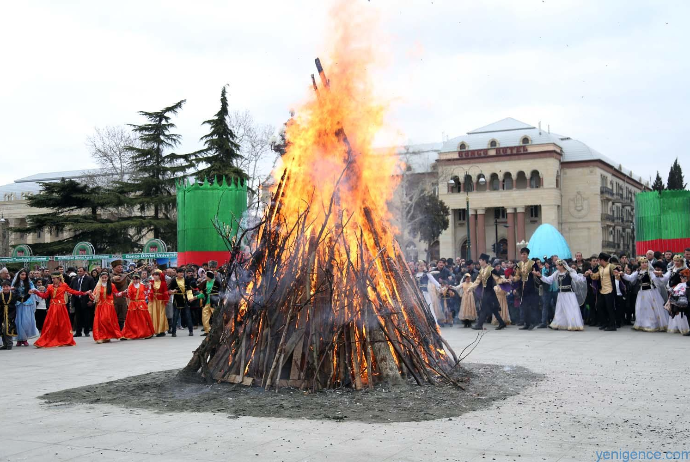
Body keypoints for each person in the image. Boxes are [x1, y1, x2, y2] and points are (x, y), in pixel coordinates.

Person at [31, 272, 91, 348]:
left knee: (62, 324)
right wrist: (36, 292)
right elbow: (45, 296)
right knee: (51, 324)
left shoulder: (64, 285)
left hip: (61, 307)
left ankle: (63, 339)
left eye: (54, 278)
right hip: (53, 307)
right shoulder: (50, 287)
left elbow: (73, 291)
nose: (53, 280)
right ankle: (48, 339)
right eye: (52, 278)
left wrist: (84, 293)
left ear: (59, 278)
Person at [621, 257, 668, 332]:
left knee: (651, 308)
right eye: (642, 263)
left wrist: (659, 275)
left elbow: (656, 280)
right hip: (642, 291)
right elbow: (630, 278)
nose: (644, 264)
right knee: (642, 307)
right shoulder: (638, 271)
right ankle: (643, 323)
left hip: (650, 291)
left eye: (646, 262)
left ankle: (651, 324)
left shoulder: (650, 271)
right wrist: (623, 274)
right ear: (640, 264)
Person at [535, 260, 586, 331]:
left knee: (570, 309)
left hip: (569, 295)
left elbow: (578, 279)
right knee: (560, 310)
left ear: (562, 266)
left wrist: (584, 275)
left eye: (557, 265)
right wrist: (540, 275)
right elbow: (549, 280)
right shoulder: (557, 273)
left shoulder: (569, 273)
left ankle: (573, 324)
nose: (556, 267)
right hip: (561, 294)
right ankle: (558, 323)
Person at [469, 253, 507, 331]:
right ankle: (502, 323)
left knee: (483, 308)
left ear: (484, 261)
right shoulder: (481, 270)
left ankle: (479, 325)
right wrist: (470, 288)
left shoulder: (491, 269)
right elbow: (477, 281)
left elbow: (498, 278)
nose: (479, 261)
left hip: (490, 292)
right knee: (493, 309)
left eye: (480, 260)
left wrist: (505, 280)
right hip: (486, 292)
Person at [586, 253, 618, 331]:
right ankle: (605, 323)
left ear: (602, 260)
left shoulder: (611, 266)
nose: (598, 262)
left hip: (610, 290)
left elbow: (617, 274)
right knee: (600, 306)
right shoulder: (600, 268)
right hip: (602, 290)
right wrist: (591, 274)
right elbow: (596, 276)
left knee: (610, 308)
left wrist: (617, 274)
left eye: (598, 260)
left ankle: (612, 325)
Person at [90, 271, 123, 343]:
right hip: (101, 306)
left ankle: (107, 336)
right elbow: (94, 298)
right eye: (103, 278)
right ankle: (102, 336)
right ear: (100, 278)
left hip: (109, 306)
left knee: (107, 320)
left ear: (108, 278)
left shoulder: (111, 285)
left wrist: (123, 292)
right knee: (101, 321)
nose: (104, 279)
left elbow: (116, 294)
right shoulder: (98, 286)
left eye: (105, 278)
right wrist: (90, 295)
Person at [120, 273, 155, 340]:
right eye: (134, 279)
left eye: (137, 279)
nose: (135, 281)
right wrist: (126, 292)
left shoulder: (143, 286)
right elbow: (128, 295)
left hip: (141, 304)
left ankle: (145, 333)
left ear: (139, 279)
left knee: (142, 319)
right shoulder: (130, 286)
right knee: (130, 319)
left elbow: (148, 292)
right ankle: (128, 333)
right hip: (133, 304)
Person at [513, 247, 540, 330]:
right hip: (522, 287)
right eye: (522, 254)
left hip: (531, 286)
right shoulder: (519, 264)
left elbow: (538, 273)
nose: (523, 256)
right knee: (524, 306)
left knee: (531, 305)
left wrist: (535, 273)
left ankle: (533, 322)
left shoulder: (532, 263)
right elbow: (517, 275)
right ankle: (526, 323)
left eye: (524, 254)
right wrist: (513, 279)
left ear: (527, 255)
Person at [12, 268, 38, 347]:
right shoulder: (15, 283)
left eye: (24, 275)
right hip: (18, 304)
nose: (23, 276)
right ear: (19, 275)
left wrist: (32, 290)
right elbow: (12, 291)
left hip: (27, 303)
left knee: (26, 322)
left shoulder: (29, 283)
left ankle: (25, 338)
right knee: (18, 322)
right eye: (22, 274)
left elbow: (33, 289)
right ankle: (19, 339)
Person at [167, 267, 195, 337]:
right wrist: (172, 291)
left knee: (188, 316)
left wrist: (190, 297)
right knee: (175, 316)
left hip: (184, 299)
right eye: (180, 272)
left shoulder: (186, 280)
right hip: (177, 300)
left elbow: (189, 290)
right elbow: (169, 290)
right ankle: (173, 332)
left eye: (182, 272)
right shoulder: (173, 281)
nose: (181, 274)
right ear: (176, 274)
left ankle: (191, 331)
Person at [70, 267, 95, 338]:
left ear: (84, 272)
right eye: (78, 271)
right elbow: (71, 288)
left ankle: (86, 331)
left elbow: (93, 289)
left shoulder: (89, 279)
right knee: (78, 317)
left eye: (81, 271)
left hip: (86, 300)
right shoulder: (75, 279)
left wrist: (91, 300)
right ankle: (78, 332)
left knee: (86, 316)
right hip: (77, 300)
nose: (79, 272)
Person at [198, 271, 221, 336]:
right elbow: (202, 293)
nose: (204, 276)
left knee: (216, 316)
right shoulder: (205, 282)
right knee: (204, 317)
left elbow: (221, 291)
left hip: (214, 302)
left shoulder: (216, 282)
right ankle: (207, 331)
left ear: (209, 276)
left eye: (205, 275)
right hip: (206, 301)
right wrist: (196, 297)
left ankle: (217, 330)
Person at [667, 269, 689, 335]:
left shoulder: (686, 284)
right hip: (681, 302)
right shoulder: (680, 284)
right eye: (681, 277)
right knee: (685, 315)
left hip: (686, 300)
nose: (681, 278)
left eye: (683, 277)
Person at [148, 269, 169, 337]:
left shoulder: (163, 283)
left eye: (157, 275)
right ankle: (151, 330)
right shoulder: (151, 282)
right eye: (154, 275)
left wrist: (165, 299)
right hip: (153, 301)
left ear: (160, 276)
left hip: (160, 301)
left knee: (161, 315)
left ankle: (161, 330)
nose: (155, 276)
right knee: (151, 314)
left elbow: (165, 292)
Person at [110, 260, 130, 330]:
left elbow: (130, 284)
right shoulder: (109, 276)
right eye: (119, 267)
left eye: (121, 267)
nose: (121, 268)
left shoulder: (125, 276)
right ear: (114, 268)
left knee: (122, 316)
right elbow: (103, 283)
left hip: (123, 299)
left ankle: (121, 331)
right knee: (113, 316)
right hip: (113, 299)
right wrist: (112, 279)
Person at [1, 281, 18, 350]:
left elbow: (22, 298)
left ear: (10, 287)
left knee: (7, 328)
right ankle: (5, 344)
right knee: (2, 328)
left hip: (10, 314)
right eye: (4, 287)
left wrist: (28, 294)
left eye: (7, 287)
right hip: (2, 314)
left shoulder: (13, 295)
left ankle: (9, 343)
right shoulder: (0, 295)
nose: (5, 288)